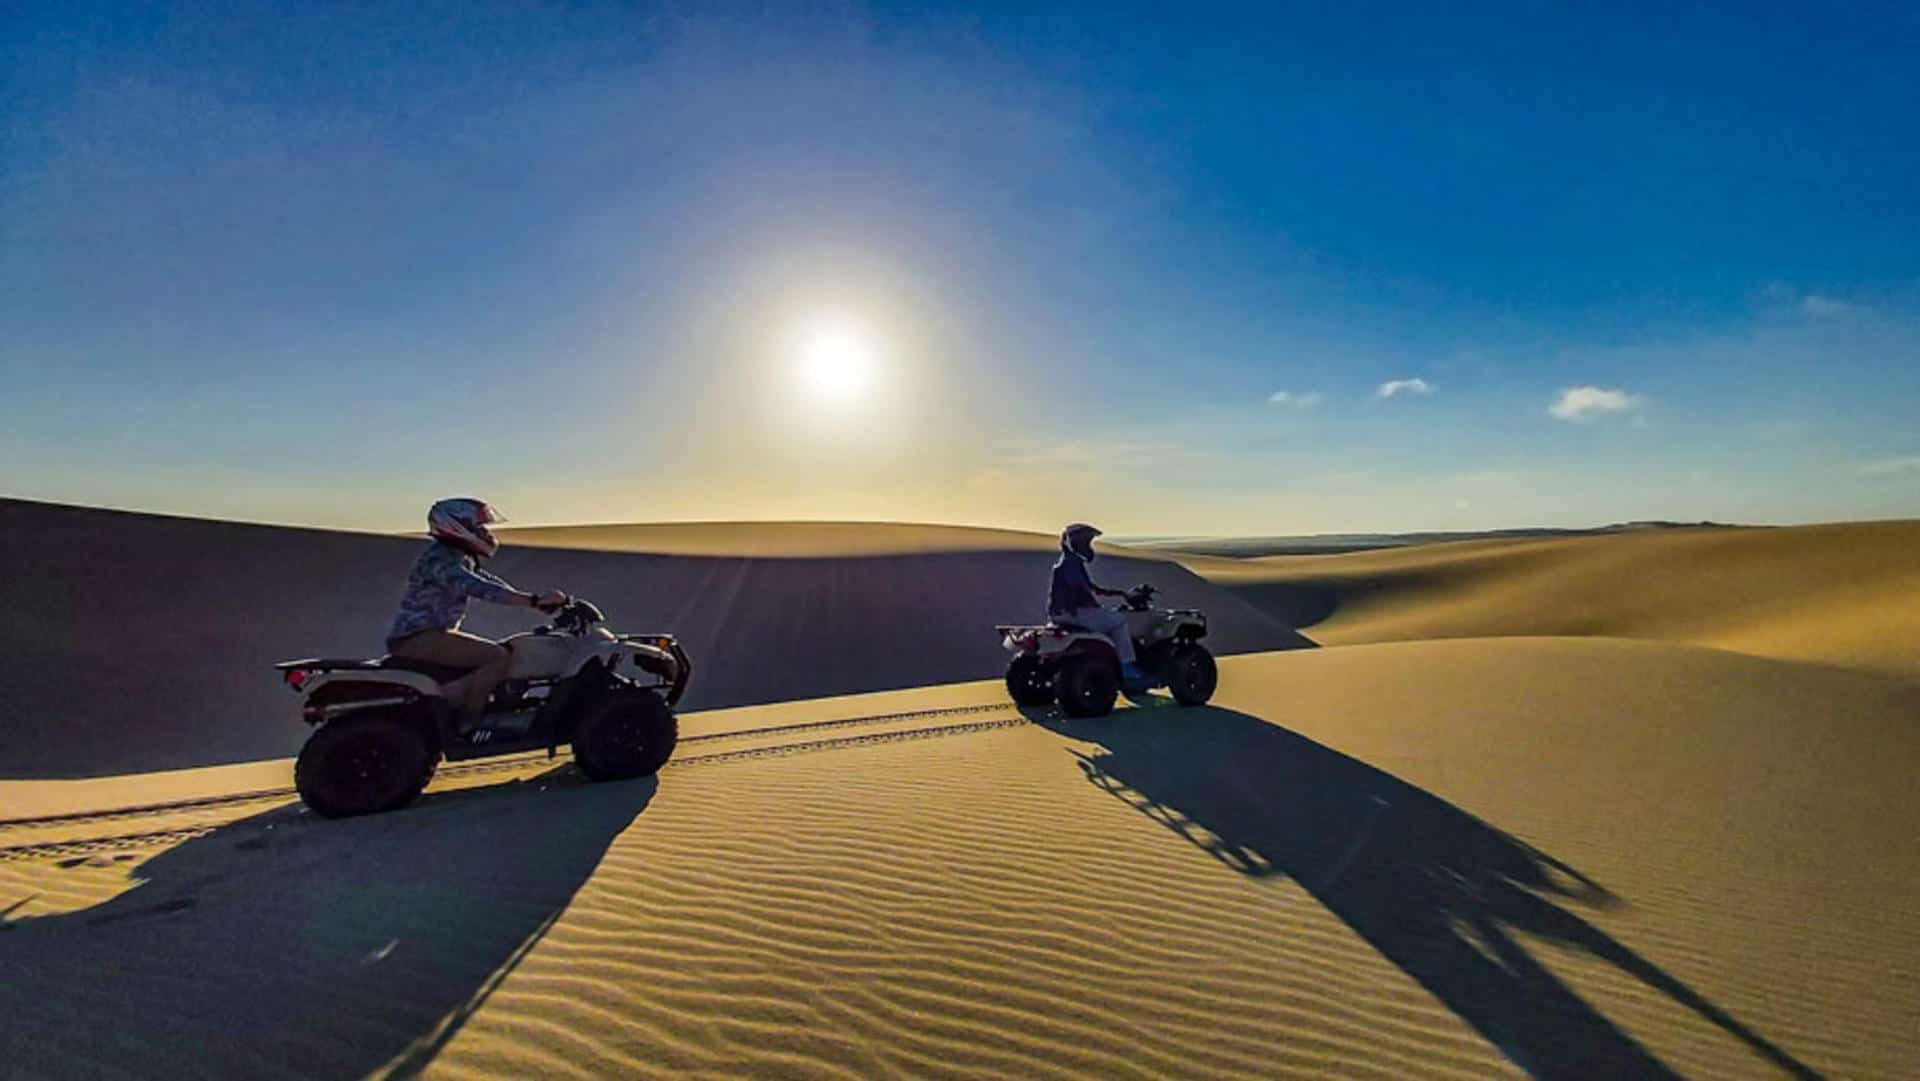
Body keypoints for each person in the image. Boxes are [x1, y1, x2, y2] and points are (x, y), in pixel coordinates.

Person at [386, 498, 566, 731]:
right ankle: (470, 722)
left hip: (429, 635)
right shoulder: (440, 559)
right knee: (496, 657)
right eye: (479, 527)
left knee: (505, 650)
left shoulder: (457, 556)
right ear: (458, 526)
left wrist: (536, 600)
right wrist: (531, 601)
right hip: (418, 638)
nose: (484, 532)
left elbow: (489, 582)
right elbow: (476, 586)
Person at [1048, 522, 1148, 687]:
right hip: (1075, 614)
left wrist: (1119, 593)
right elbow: (1083, 590)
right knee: (1120, 620)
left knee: (1108, 616)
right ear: (1076, 543)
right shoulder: (1071, 564)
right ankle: (1127, 667)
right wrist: (1098, 604)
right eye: (1086, 542)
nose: (1088, 547)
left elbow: (1090, 587)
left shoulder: (1067, 561)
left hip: (1058, 615)